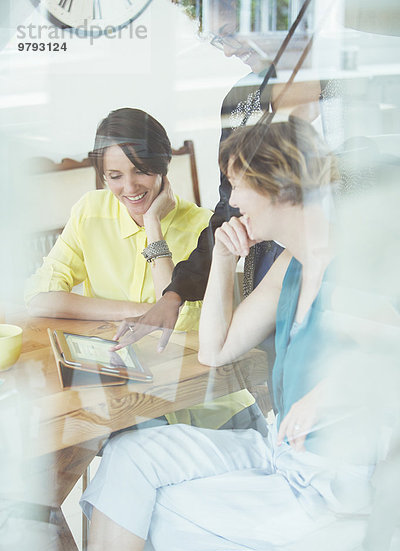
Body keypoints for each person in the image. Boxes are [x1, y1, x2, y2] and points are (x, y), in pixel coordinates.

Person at [80, 117, 375, 551]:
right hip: (281, 455)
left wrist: (325, 395)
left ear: (279, 189)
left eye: (238, 186)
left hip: (327, 493)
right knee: (128, 457)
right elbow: (217, 350)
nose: (231, 201)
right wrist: (222, 259)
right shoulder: (291, 263)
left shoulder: (356, 264)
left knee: (136, 506)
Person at [25, 107, 265, 432]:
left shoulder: (204, 229)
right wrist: (140, 313)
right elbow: (39, 298)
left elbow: (175, 327)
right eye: (115, 176)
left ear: (163, 167)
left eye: (141, 170)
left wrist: (154, 226)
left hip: (210, 406)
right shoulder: (89, 212)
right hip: (127, 403)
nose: (130, 187)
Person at [111, 0, 322, 354]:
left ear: (268, 13)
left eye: (230, 34)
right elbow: (228, 212)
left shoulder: (357, 86)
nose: (227, 51)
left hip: (346, 275)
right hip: (270, 287)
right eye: (215, 38)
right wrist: (174, 294)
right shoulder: (240, 103)